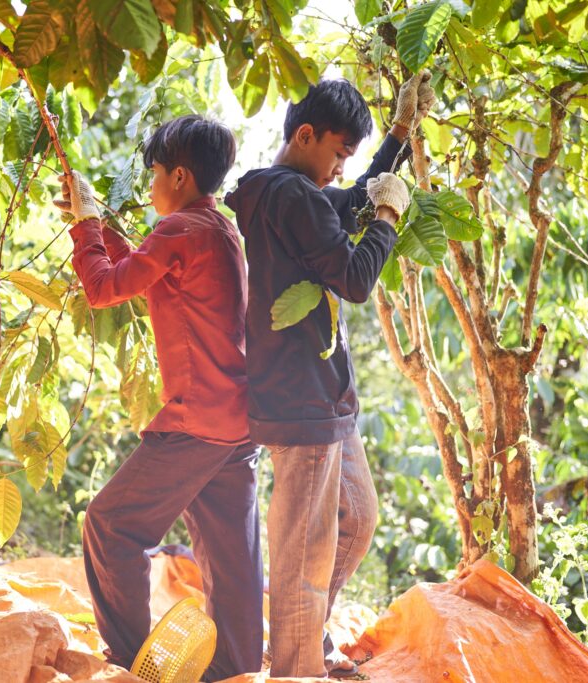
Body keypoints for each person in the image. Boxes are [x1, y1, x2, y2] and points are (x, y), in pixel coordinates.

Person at [223, 74, 435, 679]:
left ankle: (300, 638)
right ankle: (295, 666)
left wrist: (397, 133)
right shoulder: (289, 197)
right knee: (303, 556)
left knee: (355, 521)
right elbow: (356, 278)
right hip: (302, 402)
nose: (343, 169)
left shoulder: (294, 193)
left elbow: (354, 199)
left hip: (323, 399)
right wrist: (390, 220)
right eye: (339, 154)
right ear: (306, 134)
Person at [54, 115, 263, 681]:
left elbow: (103, 287)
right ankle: (236, 669)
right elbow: (141, 268)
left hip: (196, 420)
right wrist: (91, 224)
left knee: (111, 526)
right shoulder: (215, 229)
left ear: (178, 174)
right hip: (236, 421)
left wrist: (87, 227)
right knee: (231, 559)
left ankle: (131, 662)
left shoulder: (181, 231)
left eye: (153, 174)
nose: (149, 187)